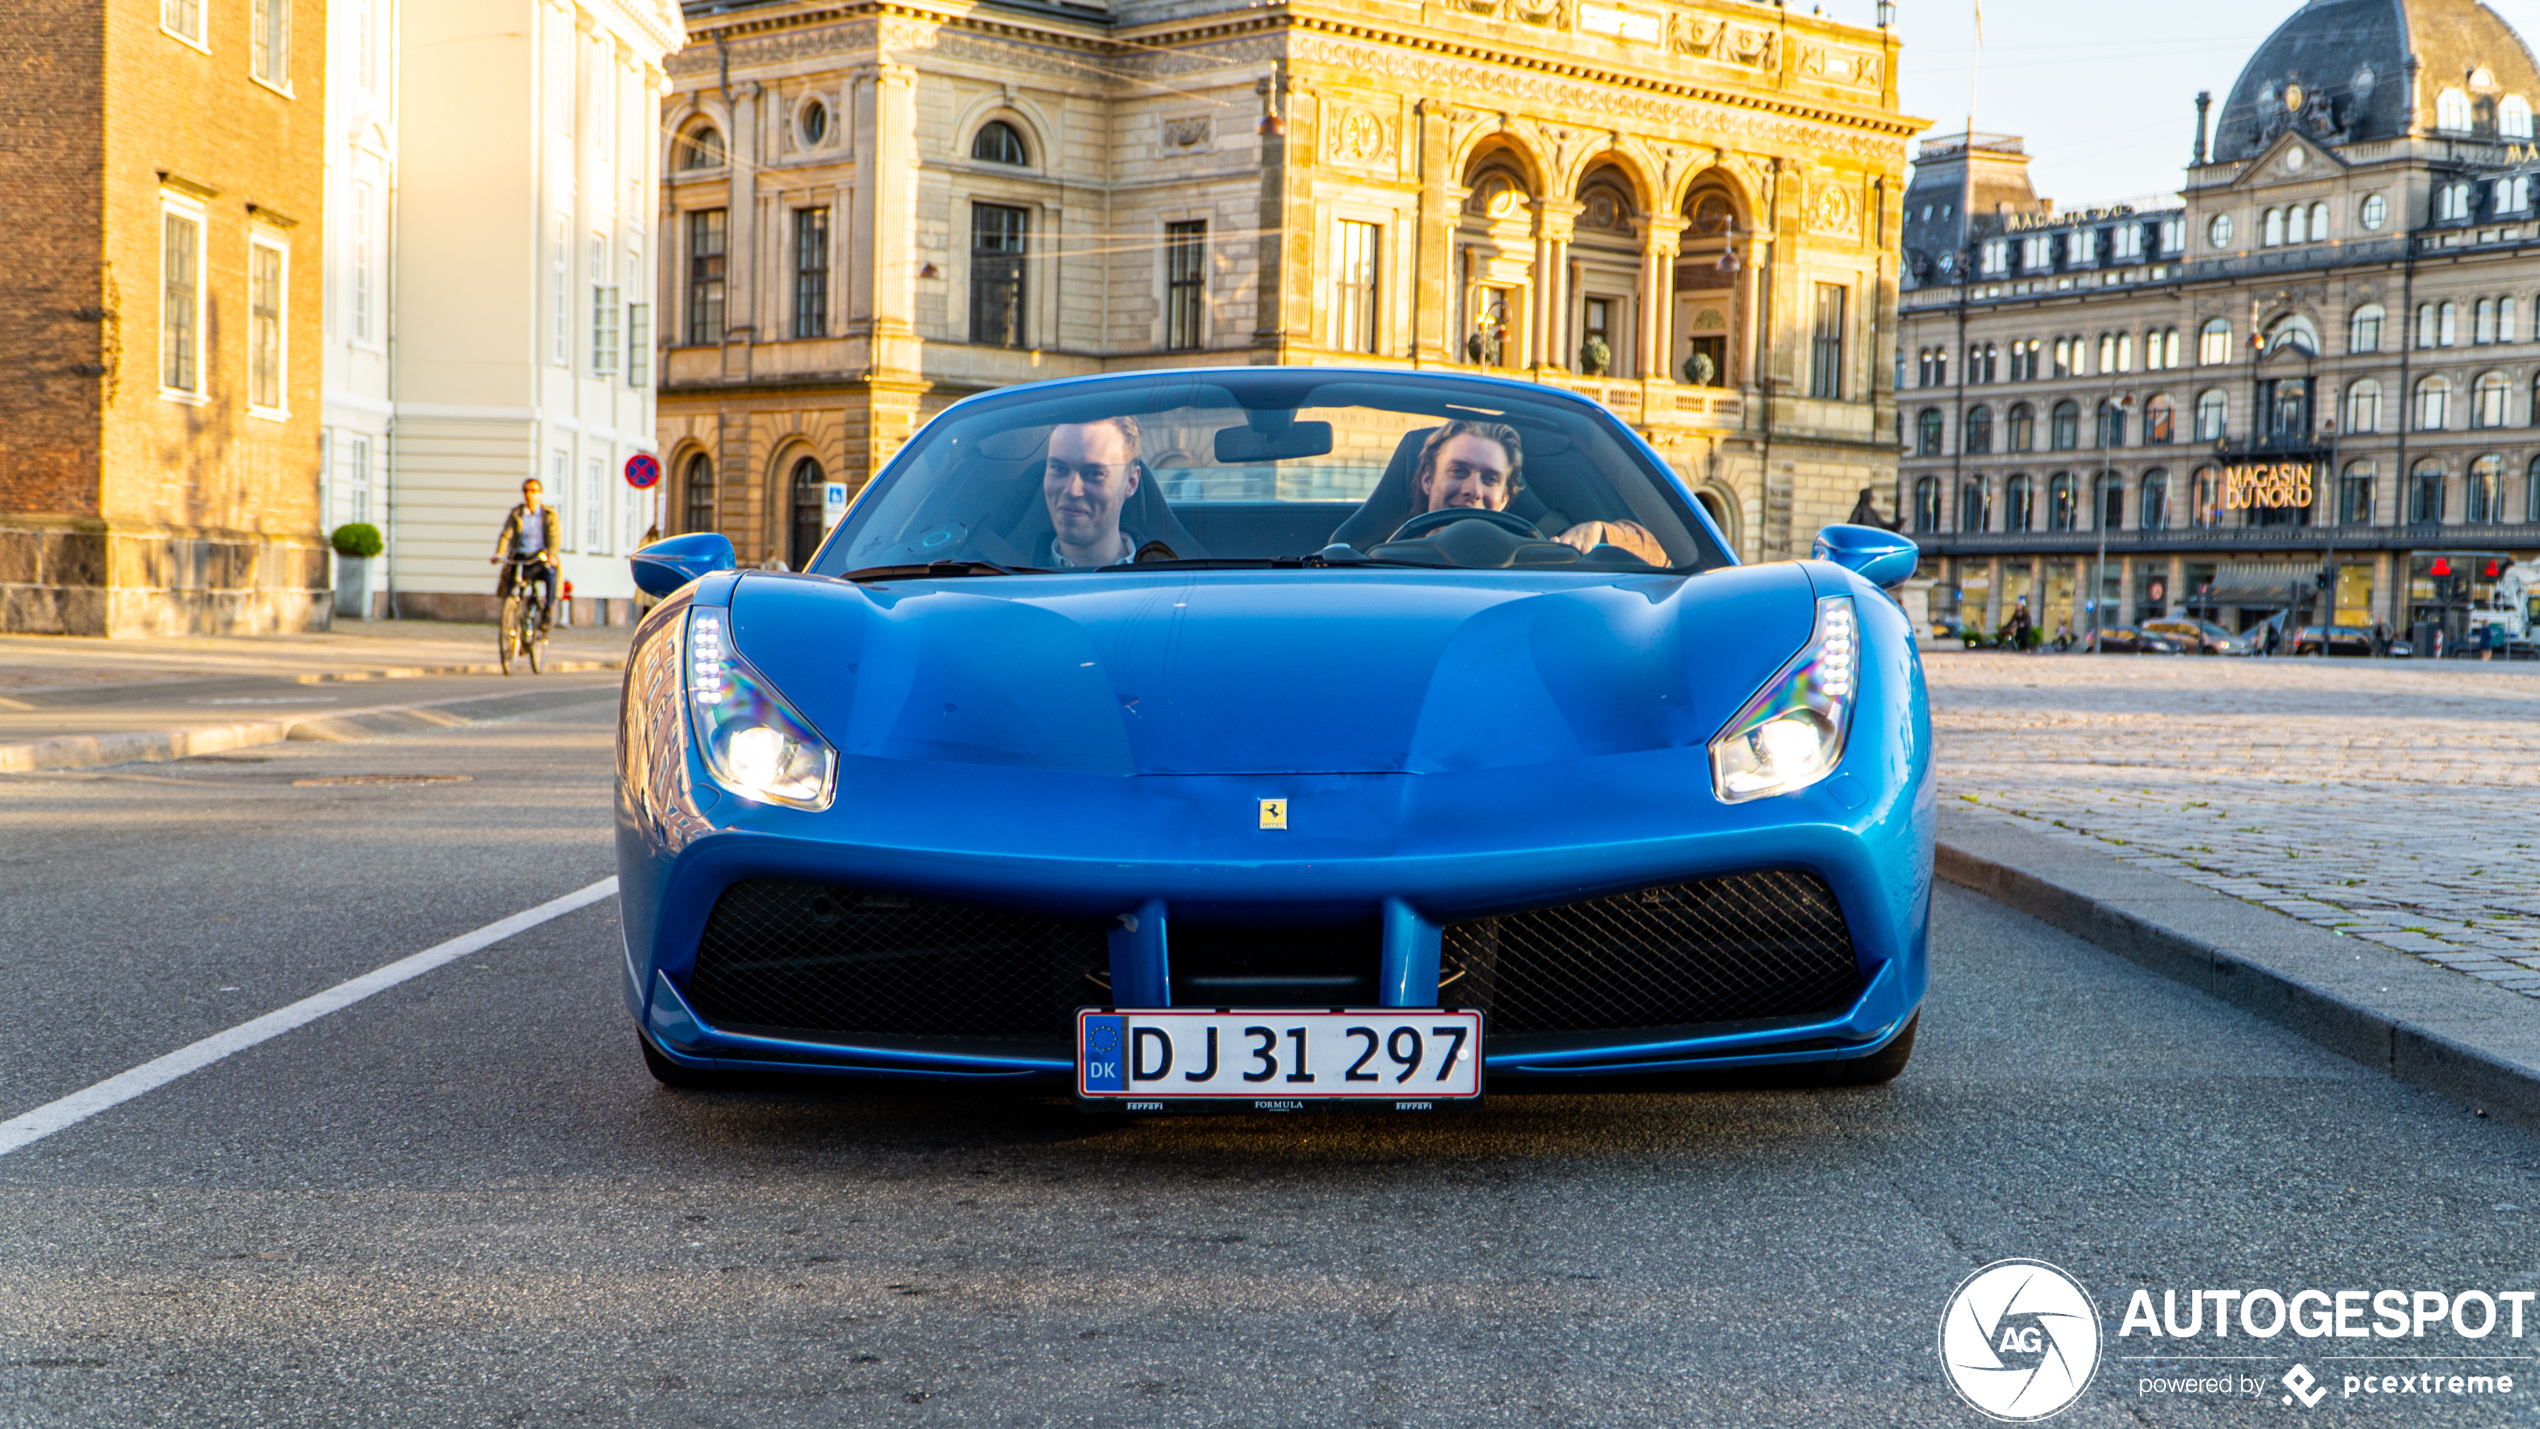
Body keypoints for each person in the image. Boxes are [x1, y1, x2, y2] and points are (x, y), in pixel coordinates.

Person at [1404, 421, 1668, 565]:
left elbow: (1669, 556)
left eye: (1490, 478)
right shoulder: (1376, 558)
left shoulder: (1537, 557)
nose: (1473, 490)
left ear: (1505, 497)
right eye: (1459, 471)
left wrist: (1600, 532)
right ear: (1428, 479)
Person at [1041, 417, 1149, 567]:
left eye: (1094, 474)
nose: (1072, 490)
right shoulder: (1003, 574)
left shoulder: (1171, 579)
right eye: (1059, 469)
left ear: (1131, 482)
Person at [489, 477, 562, 627]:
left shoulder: (548, 515)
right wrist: (499, 554)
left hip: (540, 557)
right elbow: (506, 535)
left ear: (540, 494)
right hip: (520, 557)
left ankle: (547, 611)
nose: (529, 494)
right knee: (510, 589)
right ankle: (510, 620)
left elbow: (555, 536)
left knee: (552, 576)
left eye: (533, 491)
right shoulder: (517, 513)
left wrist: (552, 555)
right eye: (526, 491)